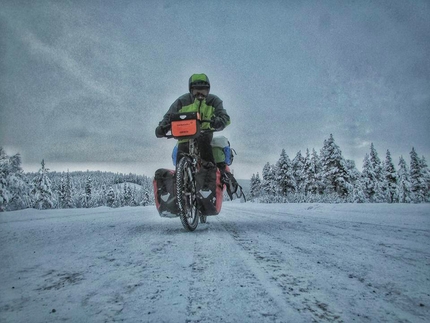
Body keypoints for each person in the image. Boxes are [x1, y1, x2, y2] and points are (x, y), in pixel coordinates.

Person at [155, 73, 230, 173]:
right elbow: (169, 116)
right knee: (181, 159)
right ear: (191, 90)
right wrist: (162, 127)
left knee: (206, 152)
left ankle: (208, 179)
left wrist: (219, 121)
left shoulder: (214, 101)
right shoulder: (182, 101)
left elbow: (224, 116)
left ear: (208, 90)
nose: (200, 94)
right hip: (184, 135)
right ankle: (181, 181)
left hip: (205, 133)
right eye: (196, 91)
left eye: (203, 91)